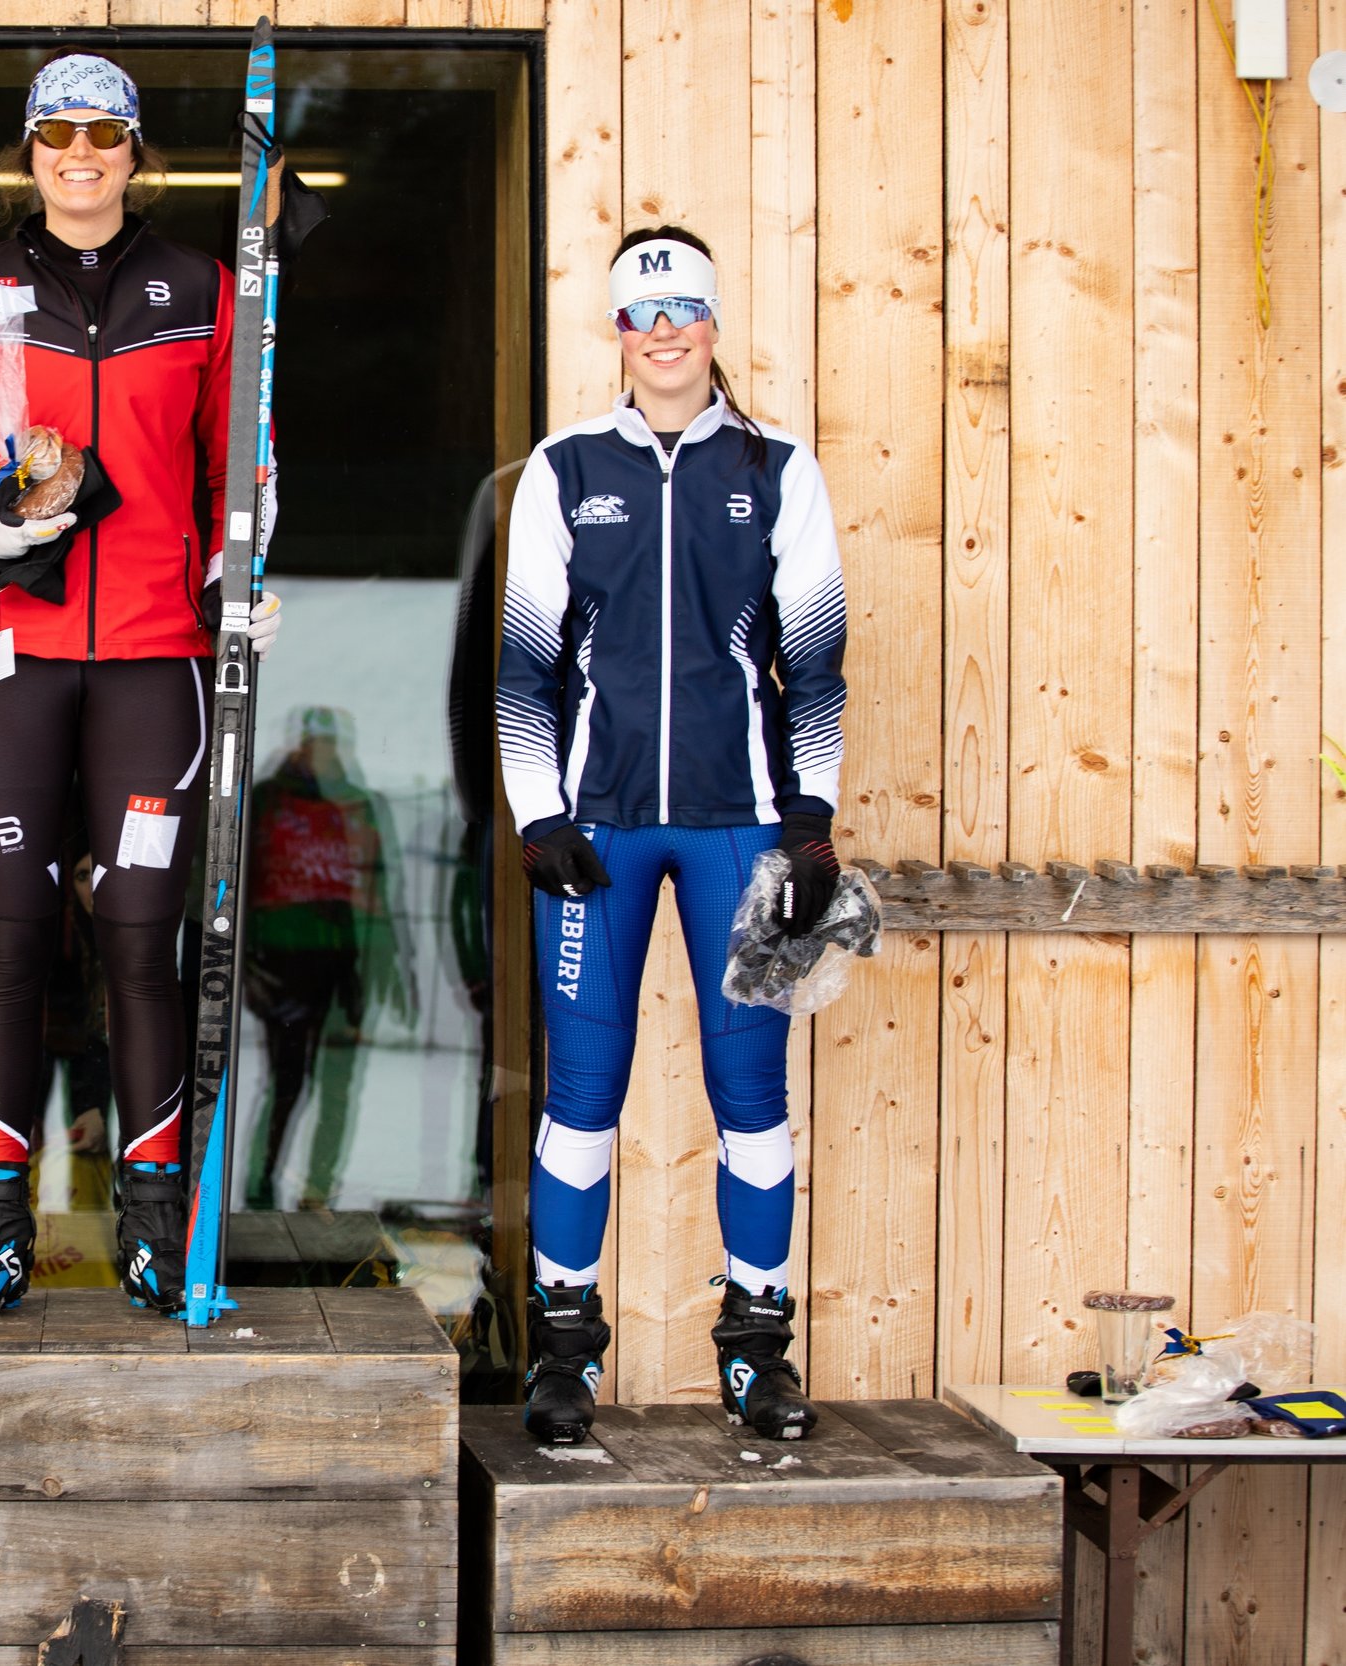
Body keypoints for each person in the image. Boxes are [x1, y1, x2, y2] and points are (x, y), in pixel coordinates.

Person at [0, 52, 283, 1320]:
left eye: (105, 133)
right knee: (12, 945)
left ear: (137, 153)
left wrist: (231, 579)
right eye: (58, 134)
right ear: (30, 151)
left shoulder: (205, 291)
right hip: (8, 655)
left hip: (157, 656)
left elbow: (244, 468)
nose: (81, 154)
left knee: (142, 947)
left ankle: (154, 1224)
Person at [496, 225, 849, 1444]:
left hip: (740, 833)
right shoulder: (561, 466)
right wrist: (537, 814)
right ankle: (564, 1357)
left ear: (710, 321)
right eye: (642, 315)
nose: (664, 333)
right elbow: (520, 673)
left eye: (684, 310)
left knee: (751, 1092)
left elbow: (816, 669)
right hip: (593, 835)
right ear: (616, 331)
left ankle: (756, 1352)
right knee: (582, 1094)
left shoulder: (777, 468)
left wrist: (809, 823)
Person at [241, 707, 413, 1212]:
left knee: (337, 1084)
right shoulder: (266, 800)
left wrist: (390, 967)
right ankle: (260, 1183)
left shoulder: (356, 805)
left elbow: (378, 887)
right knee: (287, 1080)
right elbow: (235, 877)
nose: (323, 752)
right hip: (282, 963)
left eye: (332, 742)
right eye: (313, 741)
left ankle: (318, 1189)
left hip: (342, 962)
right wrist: (243, 960)